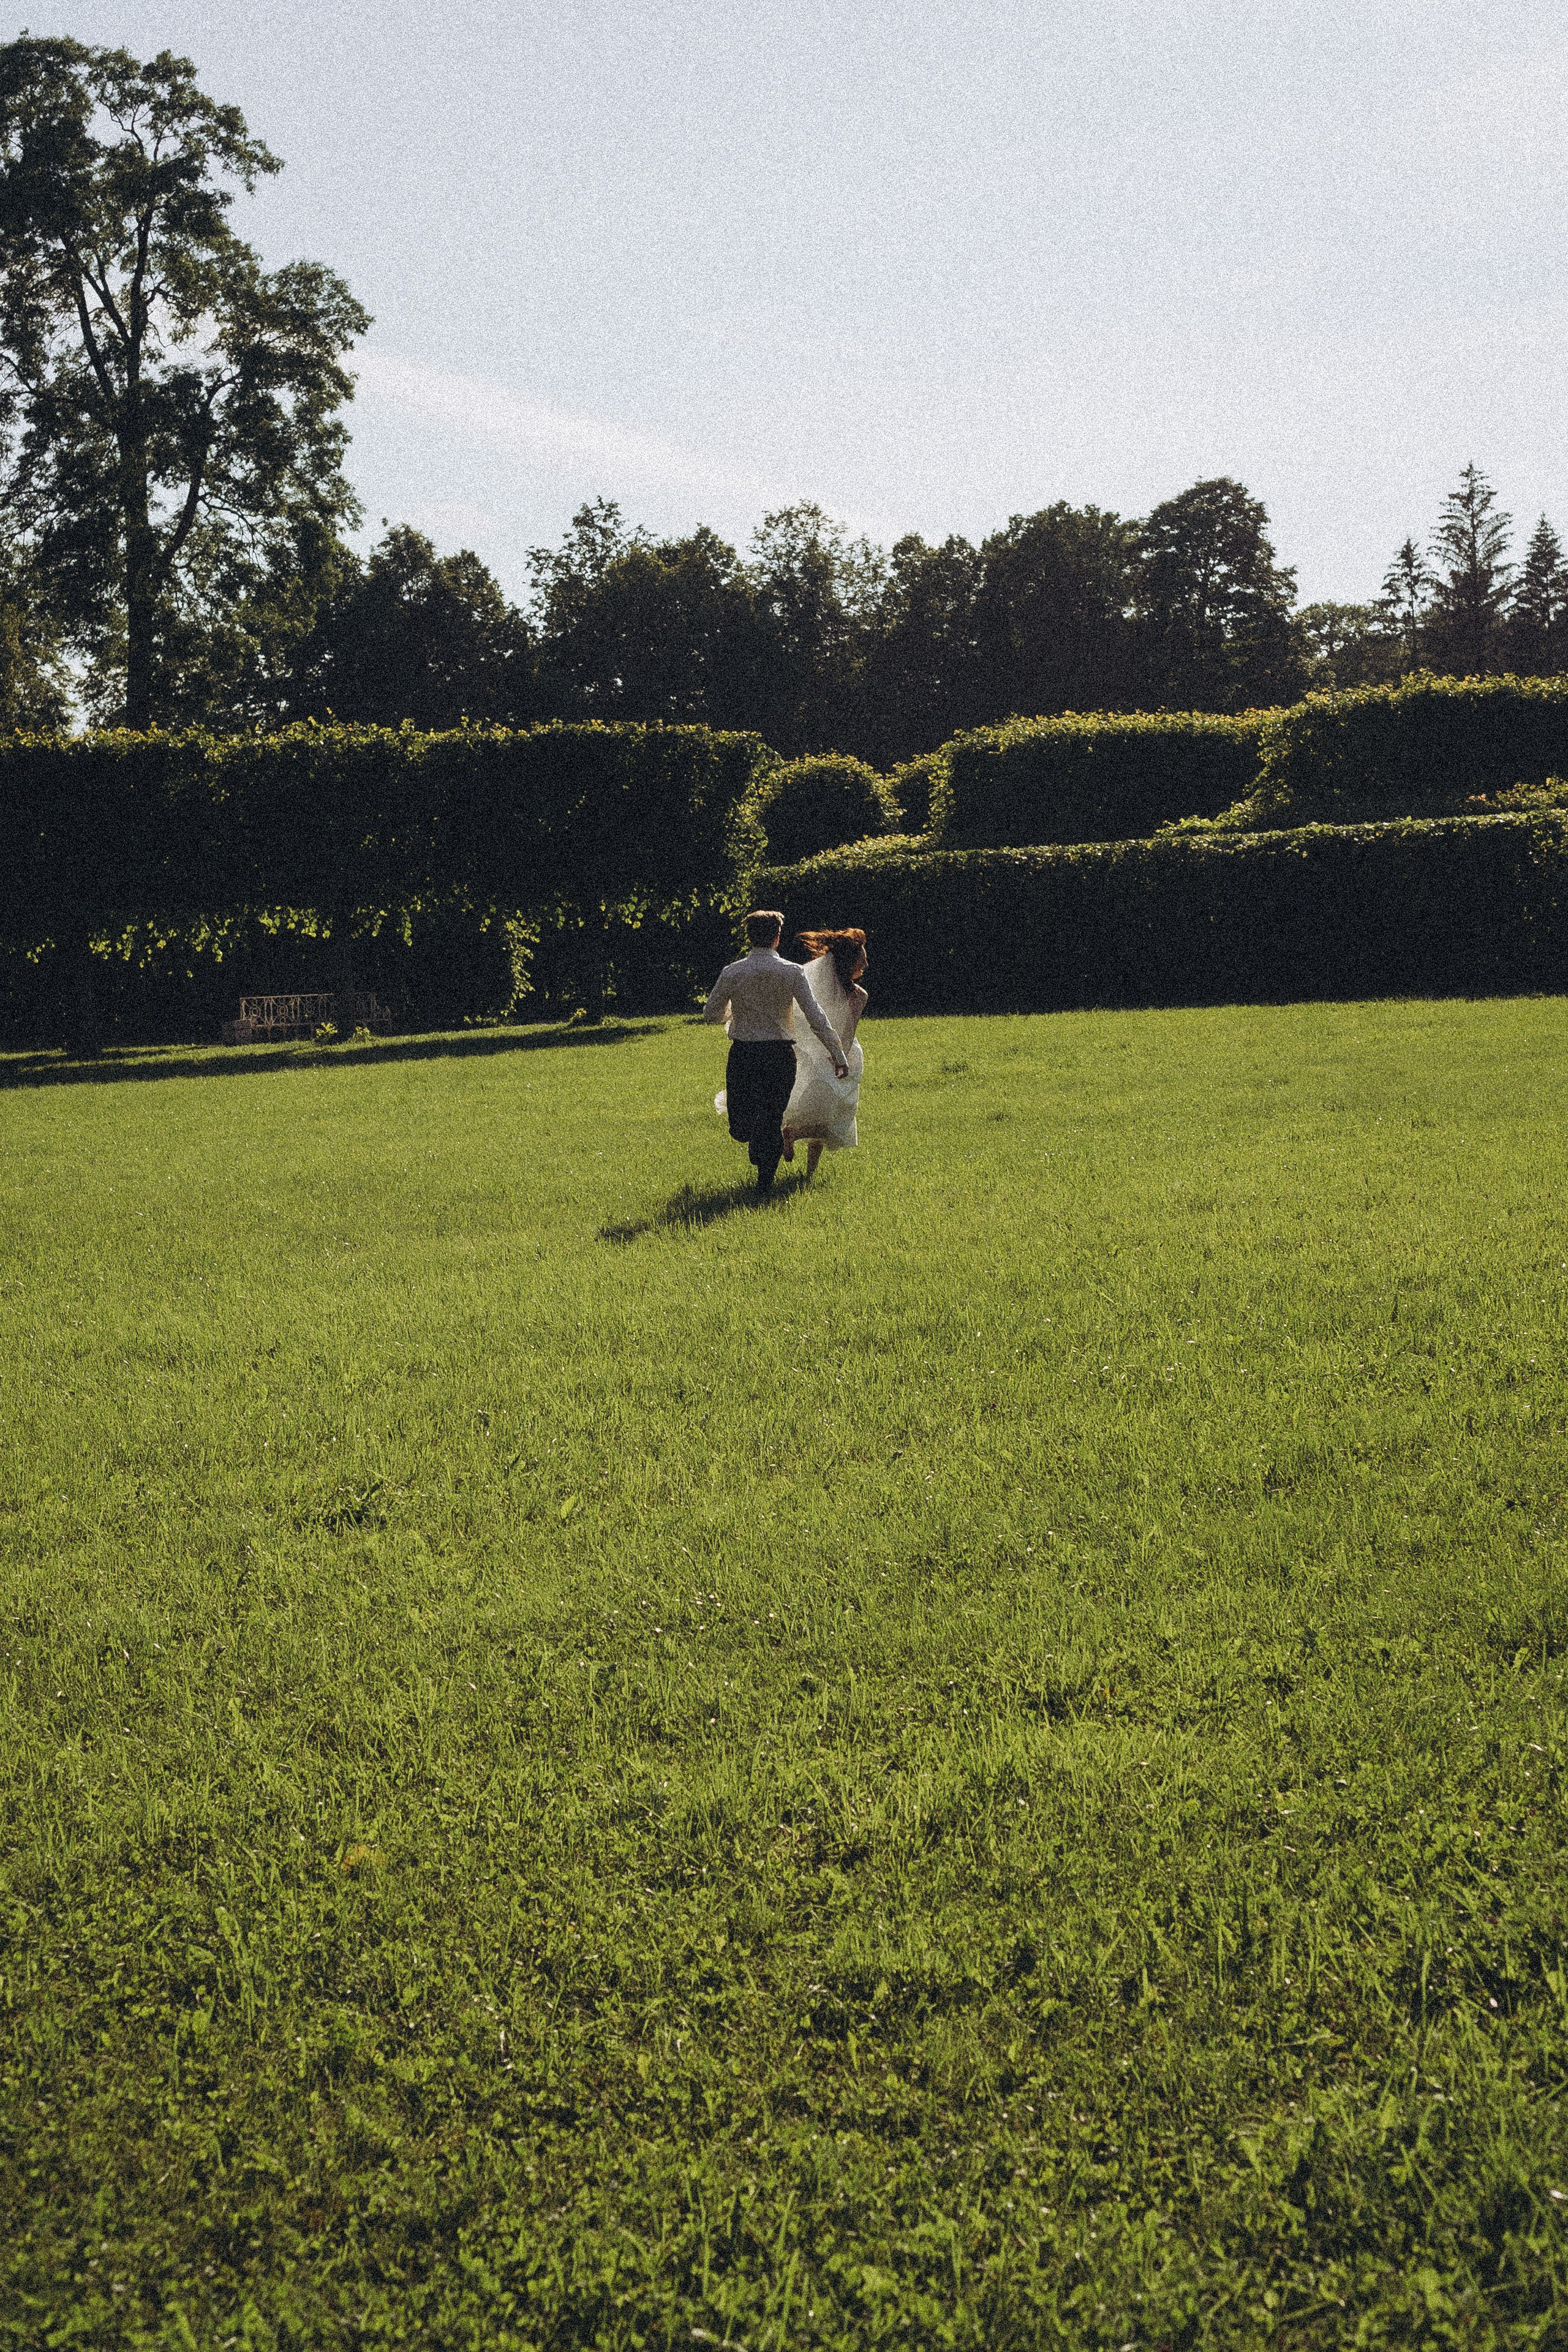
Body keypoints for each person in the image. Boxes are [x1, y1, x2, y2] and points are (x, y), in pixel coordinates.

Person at [705, 910, 848, 1193]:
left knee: (756, 1121)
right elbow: (816, 1016)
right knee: (761, 1121)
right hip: (779, 1057)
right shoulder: (791, 972)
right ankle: (762, 1153)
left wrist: (732, 1012)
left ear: (749, 937)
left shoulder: (733, 972)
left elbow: (711, 1014)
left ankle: (764, 1184)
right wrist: (839, 1054)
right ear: (777, 938)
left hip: (745, 1056)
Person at [781, 929, 868, 1180]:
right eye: (862, 959)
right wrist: (841, 1059)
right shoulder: (858, 996)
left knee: (816, 1110)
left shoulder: (814, 985)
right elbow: (848, 1034)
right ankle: (797, 1141)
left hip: (812, 1054)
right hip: (841, 1056)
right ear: (850, 964)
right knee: (835, 1118)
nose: (866, 963)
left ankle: (805, 1167)